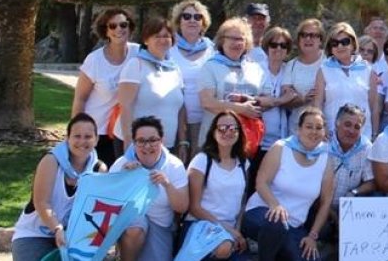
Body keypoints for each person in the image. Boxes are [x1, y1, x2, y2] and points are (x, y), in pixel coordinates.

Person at [243, 107, 334, 261]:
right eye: (309, 126)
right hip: (262, 213)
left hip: (293, 226)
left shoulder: (326, 159)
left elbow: (326, 202)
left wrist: (312, 236)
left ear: (324, 132)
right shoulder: (281, 148)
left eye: (319, 128)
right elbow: (261, 182)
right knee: (276, 225)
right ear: (299, 129)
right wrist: (275, 205)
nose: (314, 131)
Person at [11, 113, 104, 261]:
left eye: (88, 136)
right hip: (35, 234)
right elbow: (41, 202)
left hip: (72, 238)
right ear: (67, 139)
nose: (82, 141)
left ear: (97, 139)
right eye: (77, 136)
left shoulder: (99, 169)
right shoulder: (51, 161)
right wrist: (57, 228)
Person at [112, 116, 189, 261]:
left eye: (153, 140)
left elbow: (182, 207)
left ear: (162, 141)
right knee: (135, 229)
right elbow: (107, 203)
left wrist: (167, 184)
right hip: (129, 224)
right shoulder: (121, 164)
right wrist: (123, 178)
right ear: (134, 143)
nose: (147, 146)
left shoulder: (174, 165)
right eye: (141, 141)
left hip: (159, 223)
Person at [72, 8, 139, 166]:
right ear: (106, 31)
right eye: (113, 26)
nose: (119, 30)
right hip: (98, 132)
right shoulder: (94, 60)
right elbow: (80, 99)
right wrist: (75, 132)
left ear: (130, 28)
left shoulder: (138, 53)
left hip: (125, 131)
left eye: (123, 25)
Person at [116, 17, 187, 158]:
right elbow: (126, 106)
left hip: (166, 146)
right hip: (139, 145)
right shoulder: (136, 65)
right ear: (146, 40)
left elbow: (180, 109)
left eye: (166, 36)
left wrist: (183, 141)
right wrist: (130, 146)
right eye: (157, 36)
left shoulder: (175, 69)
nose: (162, 40)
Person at [184, 111, 249, 259]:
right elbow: (194, 208)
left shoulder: (244, 163)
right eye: (222, 128)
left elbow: (242, 203)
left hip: (231, 230)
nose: (227, 132)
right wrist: (226, 229)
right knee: (223, 247)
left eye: (233, 128)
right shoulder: (202, 161)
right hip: (201, 225)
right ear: (213, 132)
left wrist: (237, 231)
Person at [198, 17, 267, 147]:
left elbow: (266, 99)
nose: (236, 43)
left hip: (247, 142)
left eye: (241, 39)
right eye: (232, 38)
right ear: (222, 40)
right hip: (215, 141)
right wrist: (241, 109)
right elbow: (207, 102)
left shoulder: (255, 68)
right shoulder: (210, 67)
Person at [316, 21, 380, 138]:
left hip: (361, 136)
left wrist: (375, 134)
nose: (340, 46)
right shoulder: (324, 70)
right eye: (335, 43)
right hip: (332, 135)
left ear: (353, 44)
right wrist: (322, 129)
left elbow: (374, 106)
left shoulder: (367, 69)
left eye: (344, 42)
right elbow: (318, 104)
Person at [168, 0, 216, 156]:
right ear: (178, 21)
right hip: (175, 120)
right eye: (187, 16)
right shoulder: (169, 48)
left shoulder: (213, 49)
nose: (192, 20)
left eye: (197, 17)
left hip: (205, 120)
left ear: (203, 23)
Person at [255, 27, 296, 173]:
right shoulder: (255, 69)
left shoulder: (290, 71)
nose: (278, 48)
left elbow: (292, 99)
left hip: (281, 141)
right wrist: (281, 100)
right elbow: (256, 103)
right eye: (274, 44)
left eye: (283, 45)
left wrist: (271, 101)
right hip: (257, 140)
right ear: (266, 46)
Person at [328, 104, 375, 227]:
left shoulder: (366, 148)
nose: (351, 131)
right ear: (337, 124)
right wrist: (331, 213)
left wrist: (355, 192)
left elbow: (371, 182)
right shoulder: (324, 144)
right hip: (321, 207)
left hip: (350, 208)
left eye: (357, 127)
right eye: (347, 124)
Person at [282, 19, 325, 128]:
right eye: (303, 35)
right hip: (297, 129)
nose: (307, 39)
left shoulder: (329, 62)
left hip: (325, 128)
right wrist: (303, 99)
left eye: (313, 35)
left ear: (320, 40)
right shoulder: (291, 66)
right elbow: (285, 100)